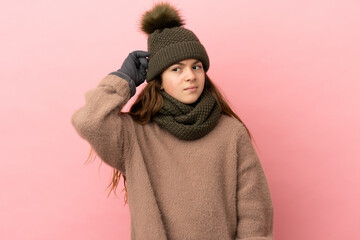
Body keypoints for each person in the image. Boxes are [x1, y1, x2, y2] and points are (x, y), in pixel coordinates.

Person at [71, 2, 273, 240]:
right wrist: (123, 80)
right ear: (159, 78)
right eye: (176, 69)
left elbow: (255, 215)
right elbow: (89, 121)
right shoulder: (135, 134)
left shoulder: (231, 133)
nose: (190, 76)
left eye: (196, 66)